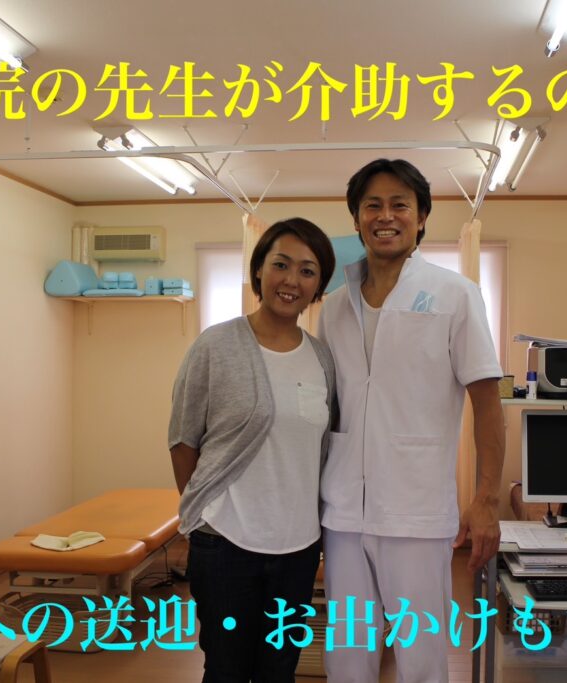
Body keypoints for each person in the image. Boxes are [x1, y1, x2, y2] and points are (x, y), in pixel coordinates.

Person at [317, 159, 504, 682]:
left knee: (421, 660)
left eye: (399, 204)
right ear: (356, 218)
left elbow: (487, 402)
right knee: (347, 657)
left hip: (416, 509)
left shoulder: (455, 293)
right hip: (343, 512)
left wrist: (487, 500)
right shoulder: (333, 306)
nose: (385, 216)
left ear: (421, 217)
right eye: (372, 205)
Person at [168, 217, 336, 683]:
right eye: (281, 264)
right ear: (258, 270)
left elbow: (321, 448)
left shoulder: (321, 358)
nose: (291, 280)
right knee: (226, 668)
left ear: (318, 286)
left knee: (279, 669)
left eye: (307, 270)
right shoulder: (215, 345)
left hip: (297, 548)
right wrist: (202, 513)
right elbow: (183, 440)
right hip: (225, 543)